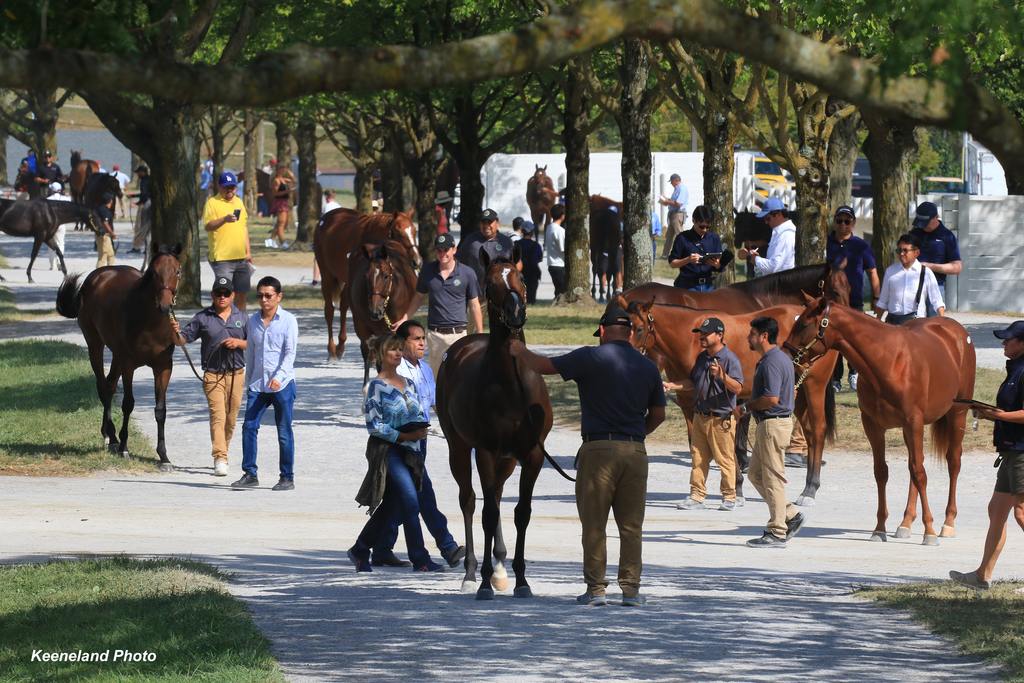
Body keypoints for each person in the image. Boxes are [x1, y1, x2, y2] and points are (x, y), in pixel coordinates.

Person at [509, 304, 667, 606]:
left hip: (598, 449)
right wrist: (636, 435)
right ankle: (631, 590)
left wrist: (520, 350)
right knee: (631, 525)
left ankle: (596, 589)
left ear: (603, 331)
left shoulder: (589, 357)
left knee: (595, 523)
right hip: (635, 450)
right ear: (632, 333)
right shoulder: (648, 367)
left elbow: (544, 366)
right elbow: (658, 414)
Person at [370, 320, 466, 568]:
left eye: (423, 338)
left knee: (399, 500)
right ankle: (447, 547)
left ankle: (376, 548)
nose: (422, 343)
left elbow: (436, 403)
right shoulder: (395, 369)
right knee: (423, 496)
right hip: (399, 443)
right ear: (402, 343)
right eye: (415, 339)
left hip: (419, 441)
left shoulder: (423, 369)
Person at [348, 333, 446, 573]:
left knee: (392, 506)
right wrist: (403, 436)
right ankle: (420, 558)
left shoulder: (408, 382)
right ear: (381, 355)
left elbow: (417, 413)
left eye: (399, 349)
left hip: (412, 452)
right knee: (411, 502)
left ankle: (360, 548)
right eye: (392, 349)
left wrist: (420, 427)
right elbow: (374, 425)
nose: (397, 353)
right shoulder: (375, 387)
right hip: (389, 451)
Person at [949, 321, 1024, 590]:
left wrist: (999, 415)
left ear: (1022, 343)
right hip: (1010, 450)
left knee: (1021, 513)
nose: (1004, 344)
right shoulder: (1014, 369)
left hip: (1022, 453)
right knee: (996, 511)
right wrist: (990, 413)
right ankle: (982, 576)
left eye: (1008, 340)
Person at [734, 316, 805, 548]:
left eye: (752, 334)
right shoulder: (779, 358)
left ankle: (777, 531)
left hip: (773, 425)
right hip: (773, 424)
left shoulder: (771, 362)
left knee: (773, 478)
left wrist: (746, 406)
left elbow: (772, 398)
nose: (748, 338)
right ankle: (790, 514)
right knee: (755, 475)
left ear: (764, 336)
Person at [170, 276, 248, 477]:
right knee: (218, 416)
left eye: (226, 294)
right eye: (218, 293)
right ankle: (220, 457)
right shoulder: (202, 318)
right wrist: (174, 332)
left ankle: (224, 451)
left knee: (231, 419)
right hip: (213, 375)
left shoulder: (243, 317)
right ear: (212, 295)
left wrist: (239, 344)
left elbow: (254, 343)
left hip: (237, 374)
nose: (222, 297)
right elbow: (182, 340)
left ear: (233, 295)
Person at [666, 317, 744, 511]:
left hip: (721, 418)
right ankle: (696, 495)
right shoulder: (702, 358)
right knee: (698, 457)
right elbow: (694, 382)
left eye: (706, 333)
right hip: (700, 415)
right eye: (700, 333)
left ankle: (729, 497)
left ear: (719, 335)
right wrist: (673, 385)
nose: (701, 337)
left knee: (724, 459)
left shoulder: (730, 359)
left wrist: (722, 376)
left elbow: (738, 388)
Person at [232, 276, 298, 491]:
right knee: (249, 426)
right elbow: (251, 352)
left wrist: (279, 378)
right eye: (260, 295)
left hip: (282, 385)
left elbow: (290, 354)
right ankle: (250, 473)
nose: (264, 300)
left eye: (268, 296)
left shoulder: (288, 321)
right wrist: (249, 380)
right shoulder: (252, 321)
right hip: (258, 384)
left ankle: (287, 477)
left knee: (284, 432)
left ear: (279, 297)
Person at [395, 233, 483, 377]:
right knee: (437, 379)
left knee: (459, 377)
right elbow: (418, 297)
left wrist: (479, 333)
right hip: (435, 336)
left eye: (446, 250)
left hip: (458, 335)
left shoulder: (467, 273)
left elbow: (474, 305)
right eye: (439, 250)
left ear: (454, 250)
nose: (442, 254)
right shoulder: (427, 271)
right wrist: (405, 318)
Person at [825, 205, 880, 392]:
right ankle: (835, 378)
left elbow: (872, 272)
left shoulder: (861, 246)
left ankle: (854, 373)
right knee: (834, 340)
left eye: (847, 221)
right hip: (831, 301)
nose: (843, 225)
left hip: (854, 301)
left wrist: (876, 296)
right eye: (839, 220)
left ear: (853, 223)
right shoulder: (826, 243)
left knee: (855, 340)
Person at [202, 171, 252, 311]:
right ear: (219, 187)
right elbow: (208, 226)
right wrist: (224, 219)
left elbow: (244, 228)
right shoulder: (212, 203)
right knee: (223, 294)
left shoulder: (239, 202)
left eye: (232, 187)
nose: (230, 190)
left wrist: (248, 251)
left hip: (241, 258)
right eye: (226, 187)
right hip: (222, 258)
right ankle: (221, 324)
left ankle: (240, 323)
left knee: (241, 293)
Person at [874, 233, 945, 325]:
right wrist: (877, 323)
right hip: (893, 324)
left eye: (905, 250)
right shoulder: (890, 272)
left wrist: (943, 323)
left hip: (916, 325)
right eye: (899, 250)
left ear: (916, 253)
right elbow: (883, 301)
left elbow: (937, 302)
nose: (901, 254)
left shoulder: (926, 273)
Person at [910, 201, 962, 316]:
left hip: (935, 286)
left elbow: (957, 268)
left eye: (926, 223)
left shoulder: (947, 236)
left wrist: (928, 266)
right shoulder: (914, 233)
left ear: (936, 217)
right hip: (912, 284)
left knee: (933, 326)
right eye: (920, 223)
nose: (922, 226)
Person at [667, 205, 730, 291]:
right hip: (687, 286)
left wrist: (717, 265)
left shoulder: (714, 238)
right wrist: (688, 260)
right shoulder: (682, 238)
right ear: (693, 220)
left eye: (707, 227)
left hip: (708, 286)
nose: (704, 230)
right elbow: (672, 263)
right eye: (701, 226)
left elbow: (721, 267)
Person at [457, 207, 516, 295]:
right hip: (474, 293)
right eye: (483, 222)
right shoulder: (470, 241)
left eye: (489, 222)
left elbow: (516, 265)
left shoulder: (506, 242)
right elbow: (458, 262)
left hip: (500, 294)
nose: (486, 226)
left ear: (497, 223)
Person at [737, 196, 795, 276]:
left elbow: (773, 267)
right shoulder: (779, 233)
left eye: (768, 218)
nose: (766, 222)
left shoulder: (786, 235)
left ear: (778, 214)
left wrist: (751, 257)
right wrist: (756, 258)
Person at [658, 173, 688, 258]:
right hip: (673, 214)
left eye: (671, 182)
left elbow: (678, 203)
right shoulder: (677, 189)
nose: (671, 184)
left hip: (678, 214)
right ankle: (665, 255)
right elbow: (674, 201)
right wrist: (667, 199)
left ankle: (686, 253)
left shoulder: (682, 188)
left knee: (680, 235)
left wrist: (667, 202)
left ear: (676, 180)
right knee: (669, 236)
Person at [267, 165, 295, 248]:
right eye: (282, 170)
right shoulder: (276, 181)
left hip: (284, 202)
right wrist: (287, 191)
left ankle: (271, 240)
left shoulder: (283, 180)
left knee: (283, 223)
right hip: (280, 202)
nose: (284, 171)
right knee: (281, 223)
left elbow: (294, 181)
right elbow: (275, 193)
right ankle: (283, 242)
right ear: (278, 170)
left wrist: (290, 174)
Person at [517, 221, 544, 304]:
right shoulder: (536, 246)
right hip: (533, 272)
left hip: (520, 272)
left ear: (522, 231)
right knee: (531, 297)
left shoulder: (516, 244)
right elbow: (539, 259)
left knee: (520, 296)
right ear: (532, 232)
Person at [544, 204, 567, 300]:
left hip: (551, 264)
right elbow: (563, 248)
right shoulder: (560, 231)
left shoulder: (549, 228)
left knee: (558, 290)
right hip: (559, 265)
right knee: (561, 291)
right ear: (562, 216)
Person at [46, 182, 70, 271]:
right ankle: (60, 262)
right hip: (61, 223)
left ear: (52, 190)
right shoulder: (66, 199)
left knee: (51, 244)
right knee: (61, 243)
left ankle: (53, 265)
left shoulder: (48, 199)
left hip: (51, 224)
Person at [130, 165, 152, 255]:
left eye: (138, 172)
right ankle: (146, 248)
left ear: (143, 172)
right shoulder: (147, 179)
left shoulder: (144, 181)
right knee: (146, 227)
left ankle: (141, 247)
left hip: (147, 203)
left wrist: (138, 203)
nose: (137, 174)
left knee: (143, 226)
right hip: (148, 201)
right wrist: (134, 196)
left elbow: (145, 194)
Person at [95, 192, 117, 269]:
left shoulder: (99, 208)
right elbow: (105, 223)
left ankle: (111, 272)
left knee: (110, 254)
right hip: (104, 235)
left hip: (102, 235)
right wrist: (112, 233)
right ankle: (98, 273)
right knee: (103, 256)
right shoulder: (105, 210)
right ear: (110, 201)